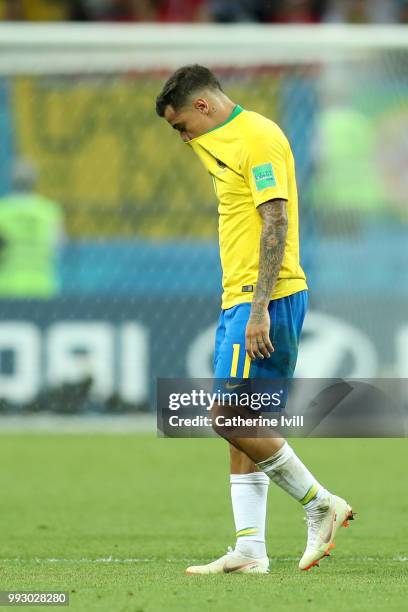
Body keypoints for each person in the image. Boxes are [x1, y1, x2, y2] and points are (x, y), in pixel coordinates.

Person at [156, 65, 354, 574]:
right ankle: (250, 549)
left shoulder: (258, 138)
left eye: (181, 126)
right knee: (249, 425)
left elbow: (276, 219)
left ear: (203, 107)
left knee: (226, 418)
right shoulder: (217, 140)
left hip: (262, 299)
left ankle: (318, 502)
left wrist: (259, 307)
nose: (181, 139)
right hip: (241, 298)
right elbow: (202, 139)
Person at [0, 159, 63, 298]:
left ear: (11, 180)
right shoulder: (49, 211)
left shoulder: (2, 211)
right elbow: (57, 249)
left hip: (7, 286)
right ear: (35, 181)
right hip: (41, 286)